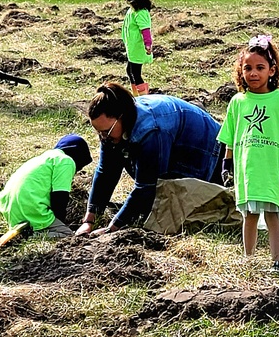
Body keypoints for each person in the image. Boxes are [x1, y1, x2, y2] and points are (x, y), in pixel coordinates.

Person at [77, 83, 224, 236]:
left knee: (181, 203)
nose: (103, 137)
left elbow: (146, 186)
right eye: (98, 131)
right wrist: (89, 219)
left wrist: (113, 228)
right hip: (174, 141)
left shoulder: (149, 131)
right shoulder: (112, 130)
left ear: (122, 117)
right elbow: (106, 170)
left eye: (106, 131)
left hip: (208, 149)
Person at [217, 35, 279, 272]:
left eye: (260, 67)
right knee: (248, 216)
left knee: (273, 215)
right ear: (241, 71)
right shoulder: (237, 102)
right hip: (248, 171)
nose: (253, 73)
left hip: (273, 169)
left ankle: (277, 262)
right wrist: (227, 165)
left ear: (272, 70)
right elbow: (230, 138)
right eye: (248, 68)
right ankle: (248, 259)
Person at [0, 135, 92, 239]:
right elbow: (60, 196)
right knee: (68, 235)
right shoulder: (66, 161)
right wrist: (61, 223)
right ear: (78, 156)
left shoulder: (43, 158)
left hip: (11, 210)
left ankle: (25, 230)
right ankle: (28, 236)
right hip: (32, 207)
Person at [121, 0, 154, 96]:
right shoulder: (132, 10)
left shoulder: (141, 12)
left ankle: (144, 98)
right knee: (130, 71)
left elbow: (145, 29)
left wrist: (148, 44)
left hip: (138, 47)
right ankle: (136, 96)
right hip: (132, 46)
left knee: (135, 73)